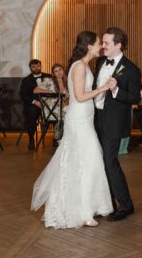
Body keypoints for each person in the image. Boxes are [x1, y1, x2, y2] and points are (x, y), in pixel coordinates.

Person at [31, 31, 114, 228]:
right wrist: (103, 88)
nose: (101, 46)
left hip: (84, 118)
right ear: (89, 46)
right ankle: (82, 211)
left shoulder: (83, 65)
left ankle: (86, 206)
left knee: (87, 160)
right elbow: (79, 96)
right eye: (98, 43)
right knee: (86, 160)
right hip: (78, 120)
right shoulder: (79, 67)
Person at [94, 27, 140, 222]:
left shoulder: (131, 69)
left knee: (110, 162)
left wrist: (116, 91)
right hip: (95, 118)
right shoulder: (99, 62)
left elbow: (135, 97)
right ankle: (106, 203)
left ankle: (126, 205)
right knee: (98, 162)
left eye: (106, 43)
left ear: (118, 45)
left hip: (113, 121)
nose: (102, 46)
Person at [19, 59, 51, 151]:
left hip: (49, 103)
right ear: (30, 68)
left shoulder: (49, 77)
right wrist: (35, 102)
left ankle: (56, 137)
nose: (36, 68)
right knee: (31, 112)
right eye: (34, 67)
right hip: (34, 105)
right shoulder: (26, 80)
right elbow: (23, 95)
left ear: (40, 66)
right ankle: (31, 138)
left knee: (59, 110)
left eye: (38, 66)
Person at [33, 64, 69, 144]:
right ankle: (59, 137)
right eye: (56, 71)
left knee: (71, 111)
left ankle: (67, 138)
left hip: (64, 106)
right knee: (65, 113)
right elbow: (35, 90)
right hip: (51, 108)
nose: (59, 72)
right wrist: (48, 91)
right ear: (53, 74)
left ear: (63, 70)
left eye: (60, 70)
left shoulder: (68, 81)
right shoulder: (50, 81)